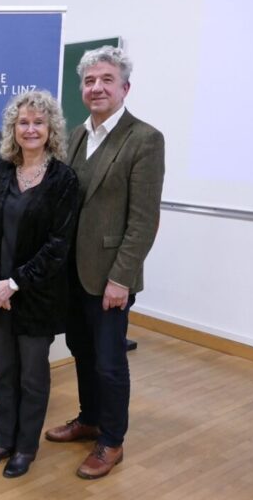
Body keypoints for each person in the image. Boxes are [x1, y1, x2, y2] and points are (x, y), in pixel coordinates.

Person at [44, 46, 165, 479]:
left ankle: (111, 441)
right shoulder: (76, 136)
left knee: (110, 362)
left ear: (124, 87)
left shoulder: (144, 139)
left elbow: (144, 220)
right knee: (80, 350)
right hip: (73, 274)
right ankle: (89, 418)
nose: (96, 87)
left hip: (110, 277)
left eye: (106, 80)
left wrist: (122, 279)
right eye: (90, 81)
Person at [0, 90, 78, 478]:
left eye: (38, 122)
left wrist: (13, 284)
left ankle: (25, 447)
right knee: (5, 374)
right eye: (23, 122)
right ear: (12, 129)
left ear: (50, 129)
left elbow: (57, 248)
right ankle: (3, 441)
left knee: (33, 377)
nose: (30, 129)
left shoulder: (63, 180)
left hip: (35, 298)